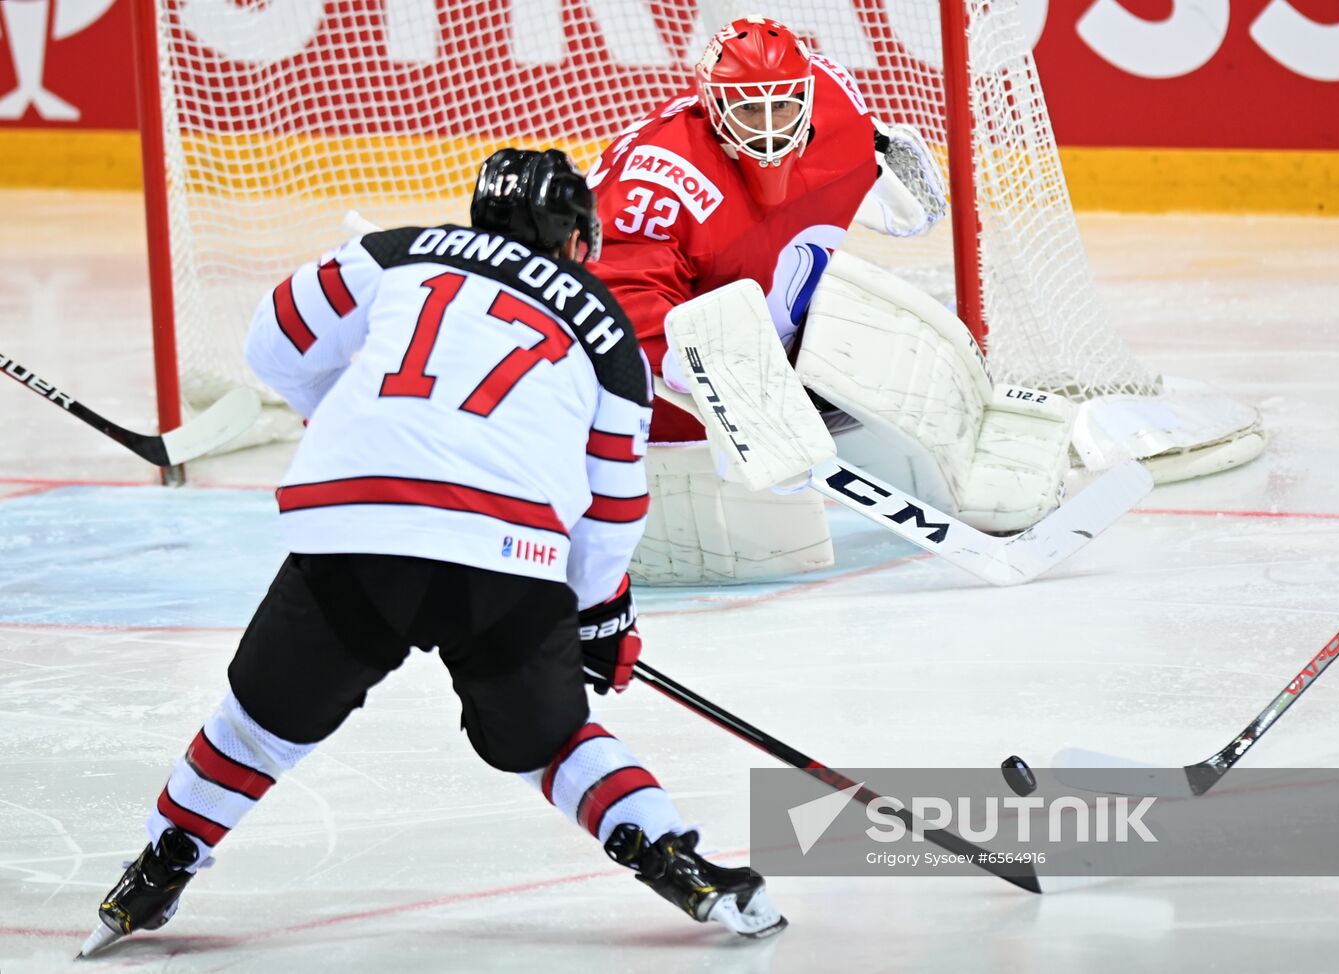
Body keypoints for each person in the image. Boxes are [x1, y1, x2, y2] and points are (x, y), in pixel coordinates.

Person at [80, 149, 786, 957]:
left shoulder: (396, 250)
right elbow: (615, 503)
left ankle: (160, 865)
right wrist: (598, 612)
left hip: (352, 524)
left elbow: (274, 341)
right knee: (547, 740)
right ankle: (672, 858)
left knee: (259, 726)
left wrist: (353, 428)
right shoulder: (604, 324)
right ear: (571, 236)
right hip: (507, 551)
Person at [584, 16, 1072, 586]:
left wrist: (879, 158)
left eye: (783, 108)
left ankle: (968, 472)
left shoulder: (835, 99)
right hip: (657, 401)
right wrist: (732, 403)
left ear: (807, 96)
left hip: (769, 346)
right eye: (747, 111)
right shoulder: (658, 184)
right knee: (773, 544)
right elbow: (618, 320)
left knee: (867, 315)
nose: (768, 129)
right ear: (711, 106)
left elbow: (866, 143)